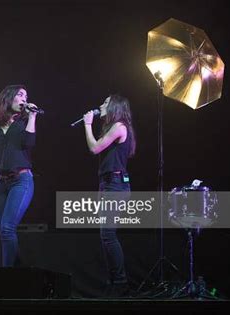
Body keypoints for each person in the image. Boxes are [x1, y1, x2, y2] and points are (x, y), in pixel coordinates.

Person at [0, 84, 40, 267]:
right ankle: (19, 274)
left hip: (21, 181)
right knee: (5, 233)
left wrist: (33, 116)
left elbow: (29, 143)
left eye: (26, 96)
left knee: (7, 229)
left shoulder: (23, 123)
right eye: (20, 95)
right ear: (8, 97)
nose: (24, 99)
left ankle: (7, 281)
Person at [82, 94, 136, 297]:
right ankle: (113, 281)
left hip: (115, 185)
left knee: (108, 235)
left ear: (116, 106)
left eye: (105, 102)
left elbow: (95, 148)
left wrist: (87, 124)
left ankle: (120, 283)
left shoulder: (120, 126)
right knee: (105, 236)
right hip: (107, 183)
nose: (101, 104)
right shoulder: (113, 126)